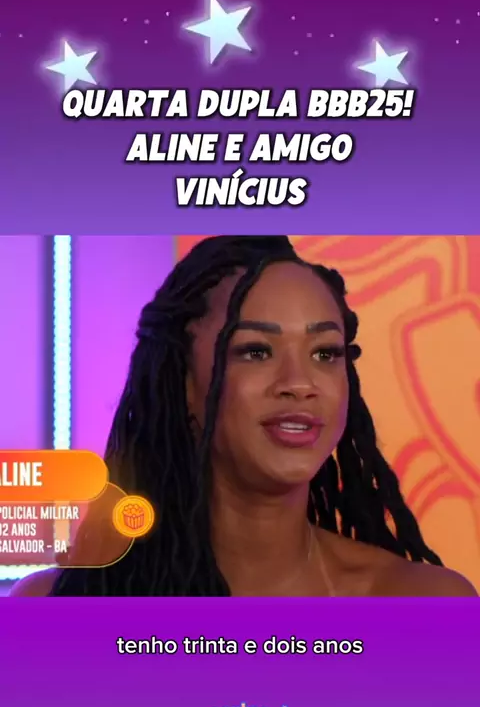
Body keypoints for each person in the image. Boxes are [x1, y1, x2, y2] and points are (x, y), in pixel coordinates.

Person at [11, 235, 477, 597]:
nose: (300, 382)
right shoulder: (56, 609)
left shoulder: (425, 605)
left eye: (325, 353)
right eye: (256, 351)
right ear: (181, 381)